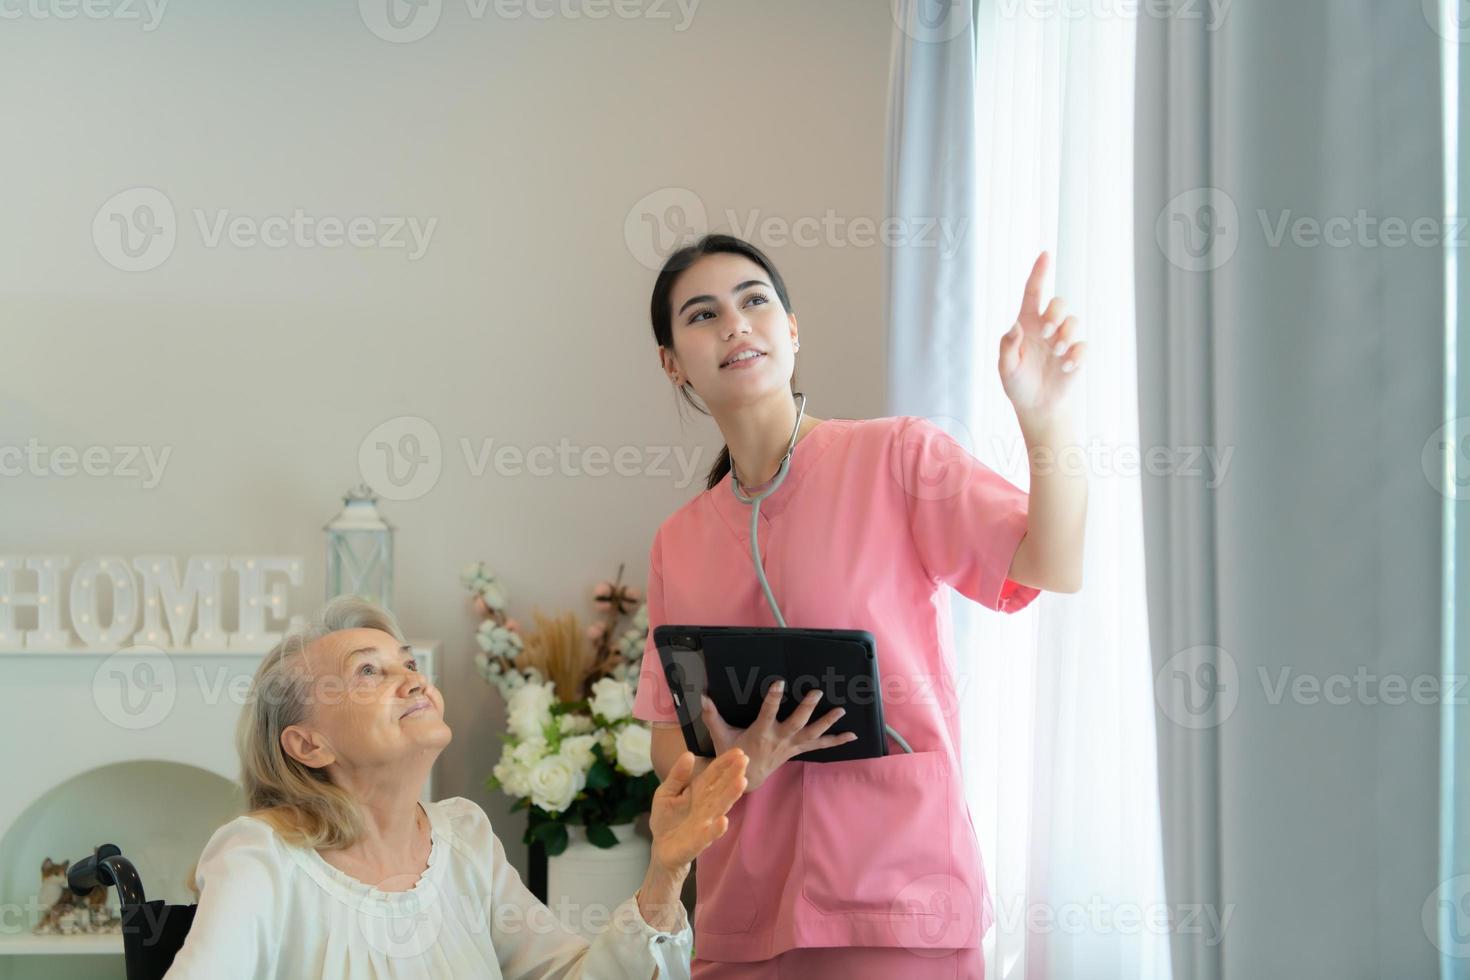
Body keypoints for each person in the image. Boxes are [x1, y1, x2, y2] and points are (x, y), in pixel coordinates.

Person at [630, 234, 1088, 977]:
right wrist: (742, 761)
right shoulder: (677, 542)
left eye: (755, 302)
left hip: (897, 896)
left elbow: (1051, 563)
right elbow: (665, 741)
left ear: (792, 329)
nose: (736, 325)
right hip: (741, 917)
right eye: (703, 315)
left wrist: (1045, 421)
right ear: (672, 362)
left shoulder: (899, 458)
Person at [165, 596, 749, 979]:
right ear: (308, 745)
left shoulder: (464, 836)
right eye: (369, 670)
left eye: (408, 662)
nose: (413, 678)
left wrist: (666, 873)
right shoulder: (260, 856)